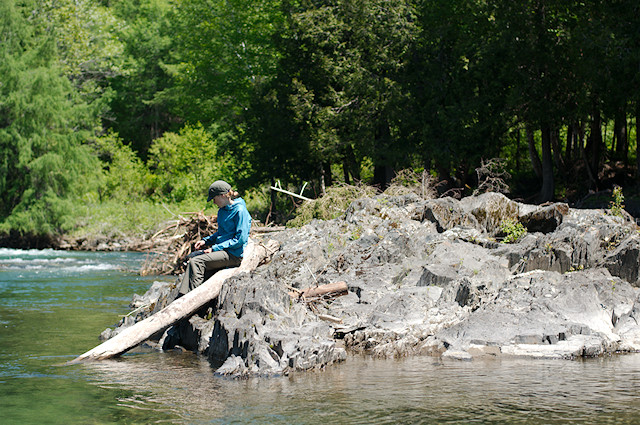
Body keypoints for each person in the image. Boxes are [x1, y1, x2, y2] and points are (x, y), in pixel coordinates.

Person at [177, 180, 252, 296]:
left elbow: (240, 240)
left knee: (196, 262)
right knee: (190, 258)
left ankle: (192, 297)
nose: (213, 202)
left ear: (222, 195)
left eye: (214, 198)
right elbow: (221, 233)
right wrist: (205, 241)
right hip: (222, 251)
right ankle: (182, 295)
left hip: (233, 254)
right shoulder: (222, 211)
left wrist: (214, 248)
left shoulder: (240, 211)